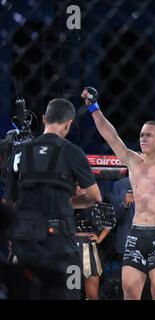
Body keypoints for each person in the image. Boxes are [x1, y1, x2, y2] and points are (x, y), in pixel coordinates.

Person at [81, 72, 155, 300]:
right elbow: (110, 135)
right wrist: (93, 107)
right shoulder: (133, 161)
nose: (142, 139)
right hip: (135, 233)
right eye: (141, 135)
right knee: (130, 294)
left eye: (148, 135)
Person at [2, 98, 102, 299]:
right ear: (69, 123)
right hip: (58, 240)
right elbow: (94, 197)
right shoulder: (72, 152)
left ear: (44, 118)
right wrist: (70, 202)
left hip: (25, 238)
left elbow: (8, 203)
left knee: (25, 292)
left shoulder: (20, 152)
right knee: (65, 292)